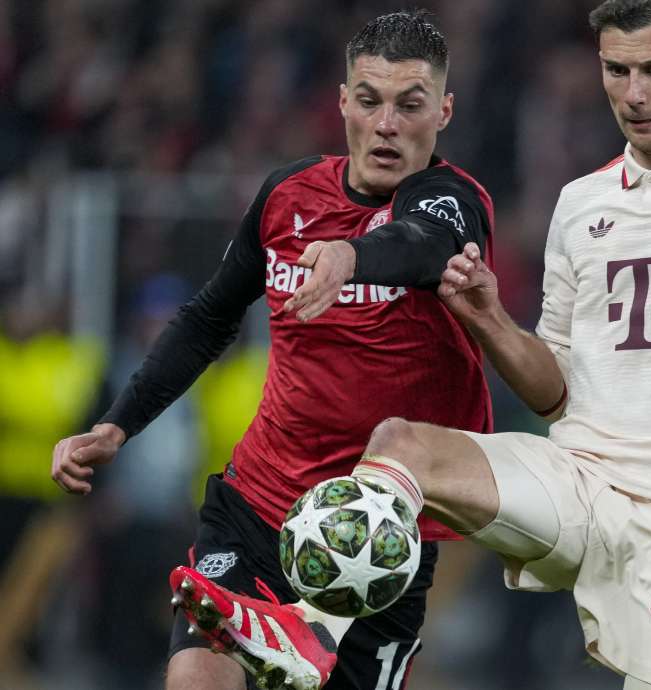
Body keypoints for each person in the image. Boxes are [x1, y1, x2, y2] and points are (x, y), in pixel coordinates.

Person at [203, 1, 651, 688]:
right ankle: (313, 628)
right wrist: (489, 318)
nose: (634, 93)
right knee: (401, 445)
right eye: (617, 70)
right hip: (580, 481)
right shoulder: (583, 204)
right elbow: (554, 392)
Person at [49, 10, 496, 690]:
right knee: (195, 679)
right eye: (369, 100)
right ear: (342, 102)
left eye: (410, 105)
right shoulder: (288, 195)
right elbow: (209, 316)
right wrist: (118, 425)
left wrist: (350, 255)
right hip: (258, 510)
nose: (386, 124)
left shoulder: (454, 202)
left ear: (444, 111)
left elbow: (424, 245)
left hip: (377, 539)